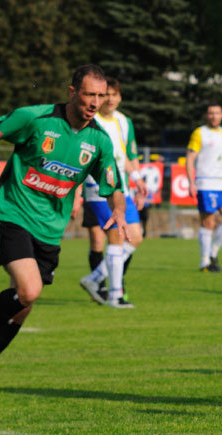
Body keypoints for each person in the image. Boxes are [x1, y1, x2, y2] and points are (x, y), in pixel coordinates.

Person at [0, 64, 128, 393]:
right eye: (89, 94)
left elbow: (112, 182)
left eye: (101, 96)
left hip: (50, 230)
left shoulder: (98, 140)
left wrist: (118, 208)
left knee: (22, 309)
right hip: (13, 214)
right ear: (73, 92)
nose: (95, 102)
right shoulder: (35, 118)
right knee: (29, 290)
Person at [79, 77, 146, 308]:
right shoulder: (91, 121)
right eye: (105, 94)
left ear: (119, 97)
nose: (110, 99)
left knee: (135, 237)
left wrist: (137, 179)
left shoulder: (123, 121)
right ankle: (116, 295)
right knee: (115, 239)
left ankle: (94, 279)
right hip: (97, 188)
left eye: (114, 95)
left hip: (121, 188)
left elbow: (122, 155)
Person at [186, 103, 222, 272]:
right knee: (208, 222)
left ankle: (212, 252)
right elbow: (190, 158)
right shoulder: (199, 133)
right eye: (211, 113)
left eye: (217, 113)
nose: (214, 116)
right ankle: (204, 262)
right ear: (206, 116)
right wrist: (191, 182)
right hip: (205, 183)